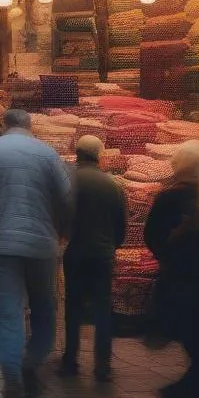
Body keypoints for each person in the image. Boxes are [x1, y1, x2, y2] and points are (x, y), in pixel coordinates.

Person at [0, 109, 72, 398]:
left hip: (2, 244)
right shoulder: (48, 154)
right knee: (44, 306)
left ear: (4, 125)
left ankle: (11, 374)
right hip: (42, 244)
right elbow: (66, 197)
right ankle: (32, 360)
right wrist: (62, 232)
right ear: (30, 125)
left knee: (9, 310)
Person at [145, 139, 199, 398]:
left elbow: (152, 236)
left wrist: (167, 256)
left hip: (180, 282)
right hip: (192, 286)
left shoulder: (170, 197)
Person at [59, 135, 126, 383]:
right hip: (103, 253)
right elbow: (121, 225)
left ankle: (70, 360)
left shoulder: (69, 182)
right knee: (102, 308)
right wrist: (112, 244)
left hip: (75, 252)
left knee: (73, 306)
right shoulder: (113, 185)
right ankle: (103, 364)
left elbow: (61, 216)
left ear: (77, 154)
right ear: (99, 154)